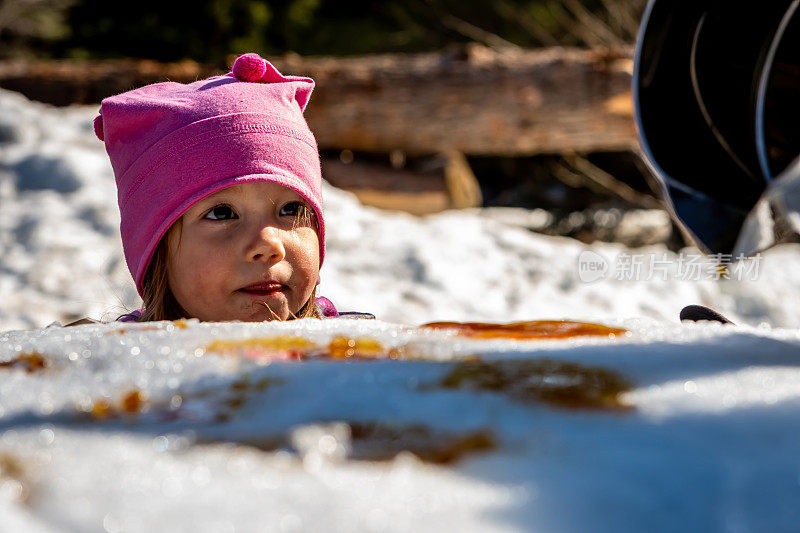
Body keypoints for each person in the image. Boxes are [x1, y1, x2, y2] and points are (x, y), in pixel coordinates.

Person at [92, 52, 371, 323]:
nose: (269, 245)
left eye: (292, 209)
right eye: (222, 213)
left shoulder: (346, 353)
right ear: (156, 255)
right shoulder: (123, 360)